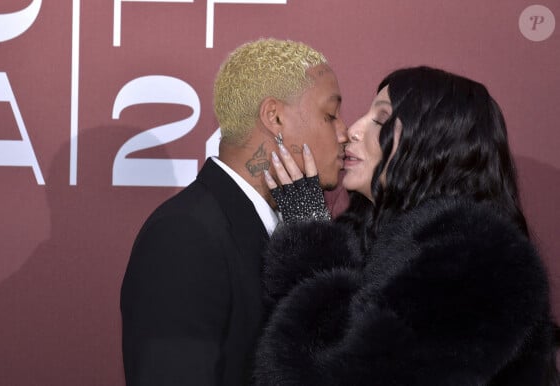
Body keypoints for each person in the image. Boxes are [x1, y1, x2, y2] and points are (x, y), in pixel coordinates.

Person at [254, 66, 559, 385]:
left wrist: (309, 238)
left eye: (381, 120)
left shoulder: (474, 258)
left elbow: (340, 376)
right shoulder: (386, 240)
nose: (353, 131)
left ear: (434, 142)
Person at [120, 38, 348, 385]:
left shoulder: (284, 229)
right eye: (330, 115)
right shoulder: (184, 236)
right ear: (275, 117)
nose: (345, 133)